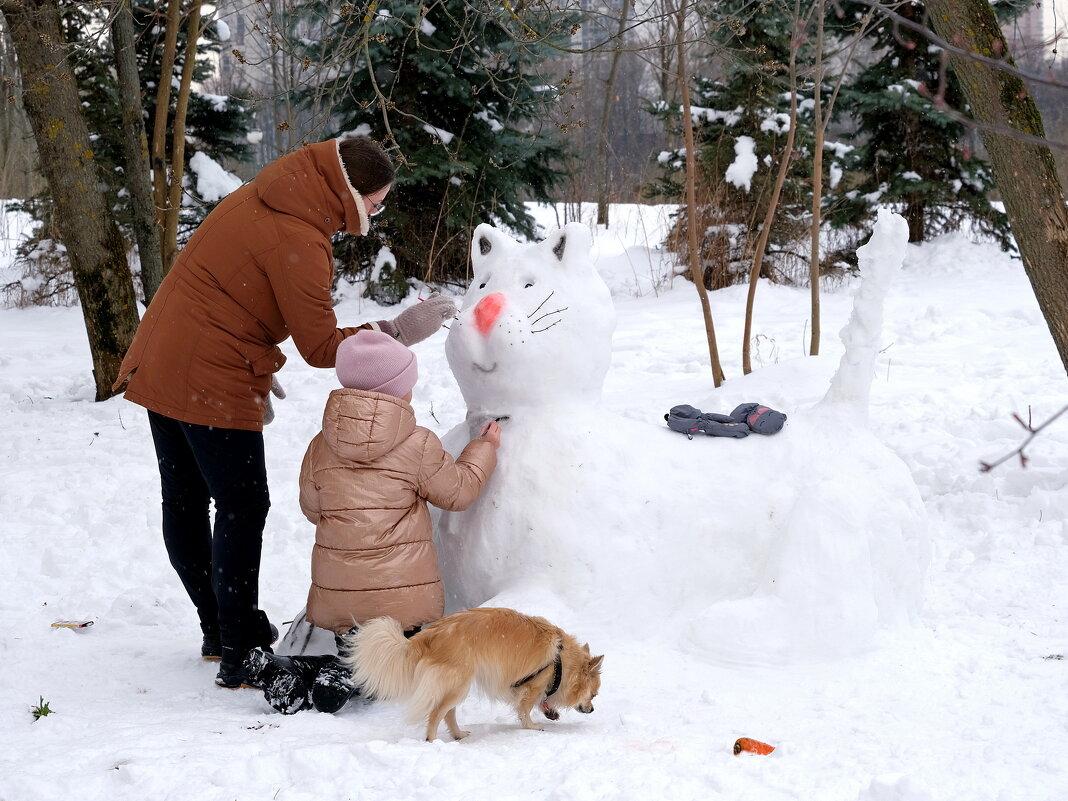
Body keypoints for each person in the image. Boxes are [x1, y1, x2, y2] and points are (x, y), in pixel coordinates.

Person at [112, 136, 458, 689]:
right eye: (376, 202)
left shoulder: (266, 195)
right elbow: (322, 349)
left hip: (163, 354)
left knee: (183, 498)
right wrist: (395, 331)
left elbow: (228, 291)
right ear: (350, 192)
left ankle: (220, 628)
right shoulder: (300, 234)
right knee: (242, 503)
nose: (376, 213)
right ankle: (239, 648)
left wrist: (251, 358)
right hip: (208, 372)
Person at [246, 330, 501, 714]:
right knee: (394, 657)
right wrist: (483, 448)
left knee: (356, 638)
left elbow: (312, 508)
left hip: (338, 598)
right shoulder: (418, 444)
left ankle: (295, 672)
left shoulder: (321, 444)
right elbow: (459, 493)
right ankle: (347, 676)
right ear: (398, 392)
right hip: (404, 603)